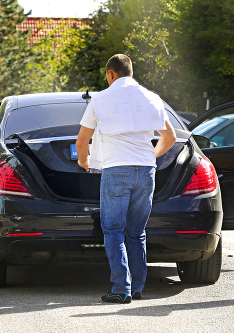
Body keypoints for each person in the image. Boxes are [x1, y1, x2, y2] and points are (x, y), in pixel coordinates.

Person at [76, 54, 176, 304]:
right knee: (136, 232)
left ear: (110, 74)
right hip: (146, 171)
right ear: (131, 72)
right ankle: (139, 287)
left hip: (116, 171)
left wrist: (84, 161)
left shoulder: (100, 99)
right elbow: (170, 137)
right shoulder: (152, 98)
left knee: (113, 231)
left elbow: (82, 141)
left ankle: (121, 289)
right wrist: (149, 156)